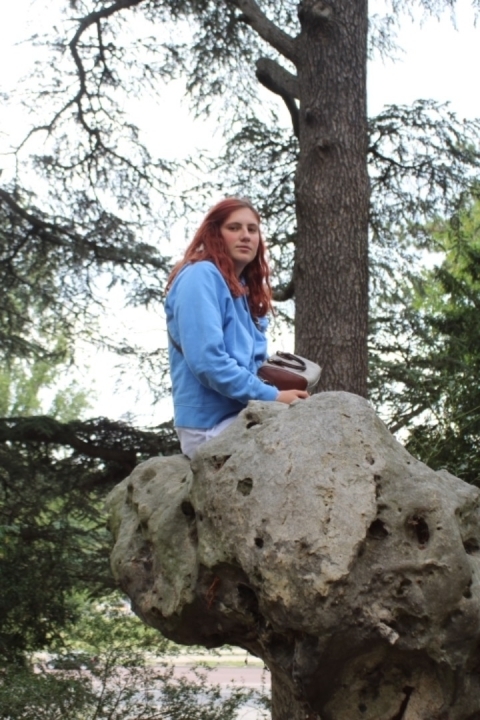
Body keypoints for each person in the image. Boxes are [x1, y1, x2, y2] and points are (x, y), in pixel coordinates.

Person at [165, 197, 308, 458]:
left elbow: (252, 365)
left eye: (252, 230)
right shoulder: (200, 275)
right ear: (215, 234)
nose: (245, 236)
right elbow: (208, 362)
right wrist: (274, 396)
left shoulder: (244, 291)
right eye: (234, 228)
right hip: (210, 425)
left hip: (243, 413)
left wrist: (280, 390)